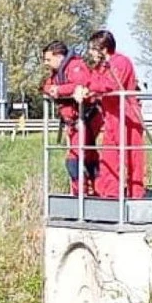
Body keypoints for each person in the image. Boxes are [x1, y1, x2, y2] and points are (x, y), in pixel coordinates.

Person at [84, 29, 148, 200]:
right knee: (110, 156)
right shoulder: (101, 67)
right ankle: (110, 193)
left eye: (93, 49)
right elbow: (97, 83)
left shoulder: (121, 62)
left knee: (132, 156)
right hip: (112, 116)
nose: (90, 53)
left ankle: (136, 194)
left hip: (127, 114)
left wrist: (88, 86)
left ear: (103, 49)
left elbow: (110, 85)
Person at [41, 41, 101, 195]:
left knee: (74, 161)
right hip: (74, 122)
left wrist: (59, 90)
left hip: (85, 118)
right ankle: (92, 191)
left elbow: (81, 85)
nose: (46, 63)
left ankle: (82, 195)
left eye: (48, 59)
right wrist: (53, 89)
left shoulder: (75, 66)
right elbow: (46, 86)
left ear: (59, 56)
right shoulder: (58, 72)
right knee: (88, 157)